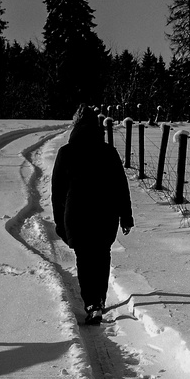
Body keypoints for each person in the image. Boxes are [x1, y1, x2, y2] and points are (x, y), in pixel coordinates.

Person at [51, 105, 133, 324]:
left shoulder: (66, 153)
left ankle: (92, 303)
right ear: (98, 127)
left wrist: (60, 221)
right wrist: (126, 217)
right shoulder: (108, 152)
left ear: (75, 126)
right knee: (101, 255)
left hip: (76, 213)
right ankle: (100, 299)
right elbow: (120, 187)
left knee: (84, 258)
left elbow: (57, 192)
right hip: (105, 213)